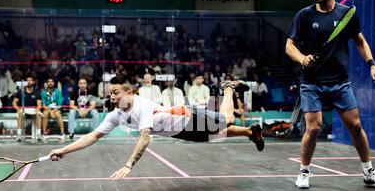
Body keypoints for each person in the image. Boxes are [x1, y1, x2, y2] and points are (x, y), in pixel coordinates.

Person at [285, 0, 375, 188]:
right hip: (311, 83)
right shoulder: (304, 15)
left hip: (339, 83)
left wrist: (372, 65)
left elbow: (360, 41)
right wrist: (302, 58)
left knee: (355, 125)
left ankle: (368, 171)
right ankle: (304, 172)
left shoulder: (347, 15)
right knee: (313, 128)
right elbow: (289, 46)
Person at [48, 75, 264, 180]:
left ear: (130, 92)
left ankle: (227, 87)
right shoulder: (116, 115)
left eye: (116, 92)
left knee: (225, 120)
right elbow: (93, 136)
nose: (112, 96)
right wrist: (63, 150)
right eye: (110, 92)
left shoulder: (141, 106)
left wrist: (128, 165)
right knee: (217, 133)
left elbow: (145, 138)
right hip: (180, 130)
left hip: (187, 115)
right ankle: (250, 132)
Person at [12, 73, 43, 142]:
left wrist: (37, 109)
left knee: (38, 114)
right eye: (27, 80)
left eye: (31, 80)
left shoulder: (37, 92)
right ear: (25, 82)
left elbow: (39, 104)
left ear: (34, 82)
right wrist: (18, 109)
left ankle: (39, 135)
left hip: (33, 109)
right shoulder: (21, 91)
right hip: (23, 108)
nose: (29, 82)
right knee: (20, 113)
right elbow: (14, 103)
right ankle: (19, 135)